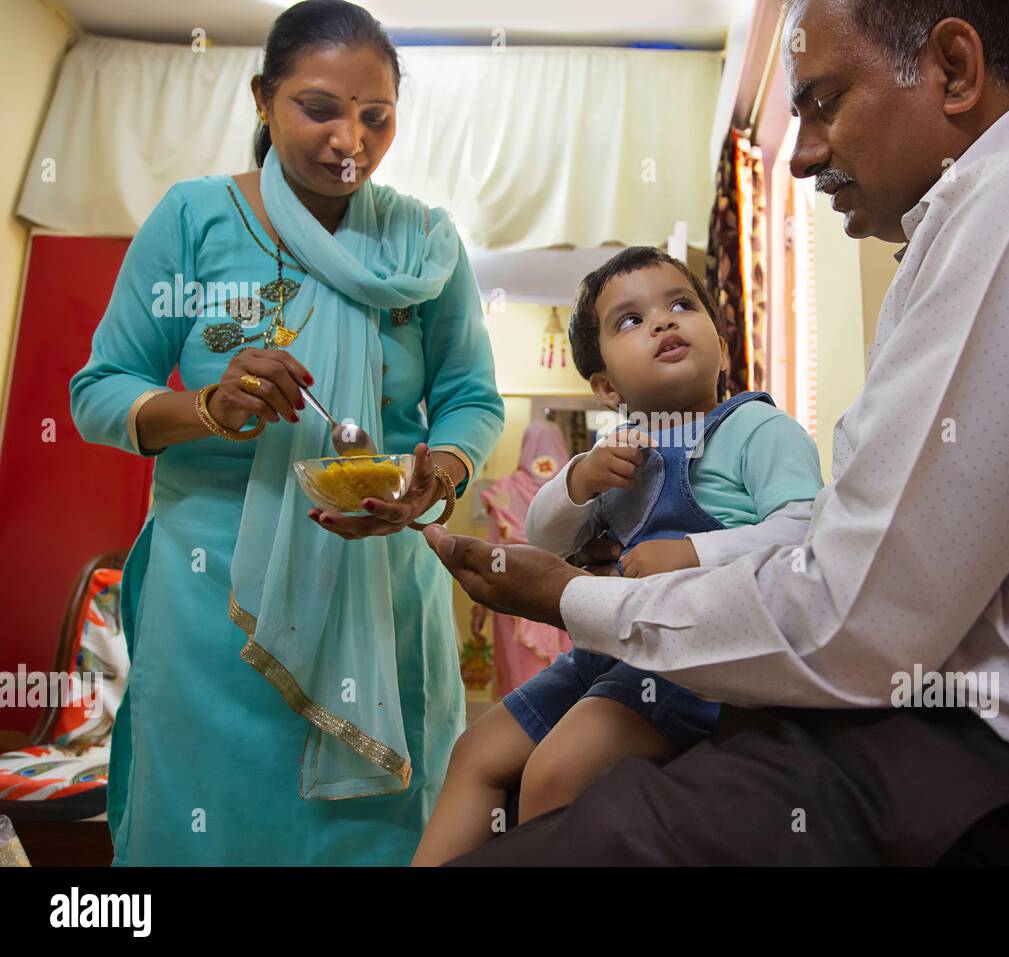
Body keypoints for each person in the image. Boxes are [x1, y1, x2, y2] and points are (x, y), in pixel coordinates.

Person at [422, 0, 1009, 865]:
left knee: (578, 828)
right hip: (960, 736)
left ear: (954, 69)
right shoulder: (996, 222)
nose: (800, 154)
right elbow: (859, 567)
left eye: (824, 102)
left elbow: (852, 611)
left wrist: (568, 597)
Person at [69, 0, 504, 865]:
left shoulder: (422, 242)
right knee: (214, 822)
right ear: (263, 99)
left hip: (382, 590)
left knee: (381, 832)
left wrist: (442, 470)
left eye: (376, 117)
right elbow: (98, 392)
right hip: (218, 600)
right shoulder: (194, 219)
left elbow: (470, 397)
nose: (352, 139)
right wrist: (205, 406)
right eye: (320, 108)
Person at [412, 248, 823, 865]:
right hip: (606, 655)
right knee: (476, 753)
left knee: (555, 773)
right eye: (630, 321)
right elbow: (546, 540)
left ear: (722, 343)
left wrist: (695, 550)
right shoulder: (618, 452)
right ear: (605, 387)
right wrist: (578, 481)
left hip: (696, 659)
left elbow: (808, 531)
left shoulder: (757, 431)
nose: (662, 322)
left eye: (681, 305)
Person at [477, 419, 575, 695]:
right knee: (566, 675)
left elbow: (491, 552)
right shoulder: (572, 492)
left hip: (512, 596)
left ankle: (522, 725)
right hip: (564, 593)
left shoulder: (504, 492)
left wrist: (480, 606)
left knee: (521, 675)